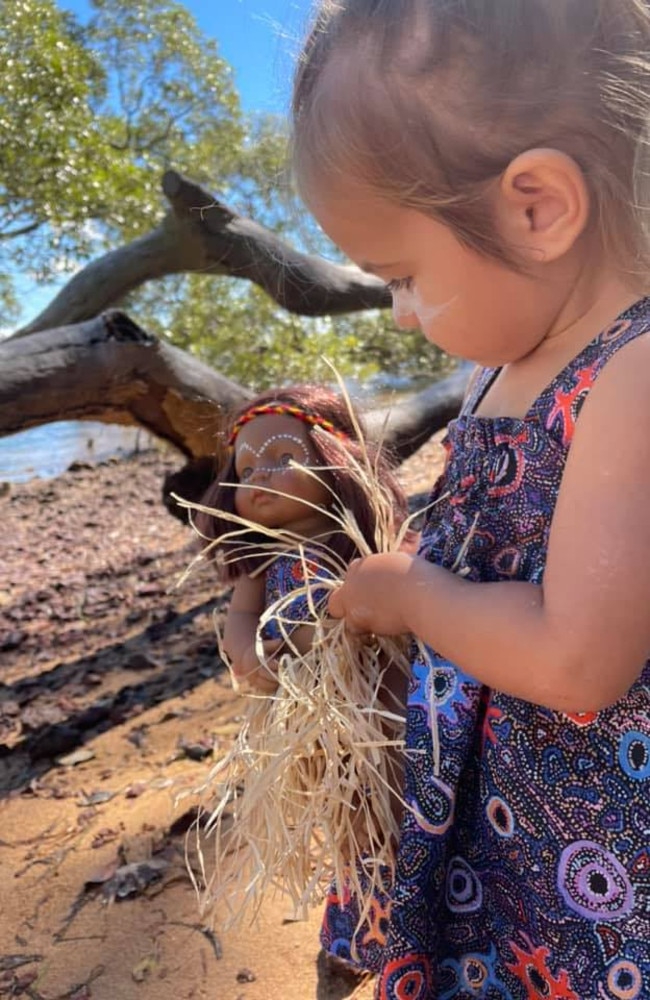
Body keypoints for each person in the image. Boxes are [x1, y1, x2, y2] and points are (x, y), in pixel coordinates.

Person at [289, 2, 650, 997]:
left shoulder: (633, 372)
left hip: (597, 863)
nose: (399, 312)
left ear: (536, 208)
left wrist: (407, 595)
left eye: (399, 275)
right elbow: (482, 534)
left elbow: (576, 657)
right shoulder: (506, 368)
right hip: (501, 828)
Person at [195, 384, 409, 972]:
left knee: (386, 810)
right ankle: (357, 926)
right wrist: (246, 655)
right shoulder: (262, 558)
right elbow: (242, 619)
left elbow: (377, 616)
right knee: (343, 818)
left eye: (284, 459)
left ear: (336, 462)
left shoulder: (359, 546)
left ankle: (407, 919)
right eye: (246, 468)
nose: (260, 477)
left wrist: (314, 636)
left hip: (375, 710)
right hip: (305, 722)